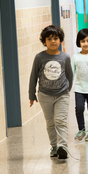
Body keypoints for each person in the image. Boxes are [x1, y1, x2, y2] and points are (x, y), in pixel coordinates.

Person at [29, 25, 73, 160]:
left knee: (60, 120)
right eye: (49, 39)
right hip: (44, 95)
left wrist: (66, 91)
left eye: (56, 38)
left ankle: (62, 146)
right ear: (44, 42)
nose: (53, 41)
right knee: (50, 122)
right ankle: (54, 146)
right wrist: (32, 94)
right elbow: (33, 76)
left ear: (60, 40)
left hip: (62, 94)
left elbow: (70, 76)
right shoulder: (39, 57)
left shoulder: (65, 57)